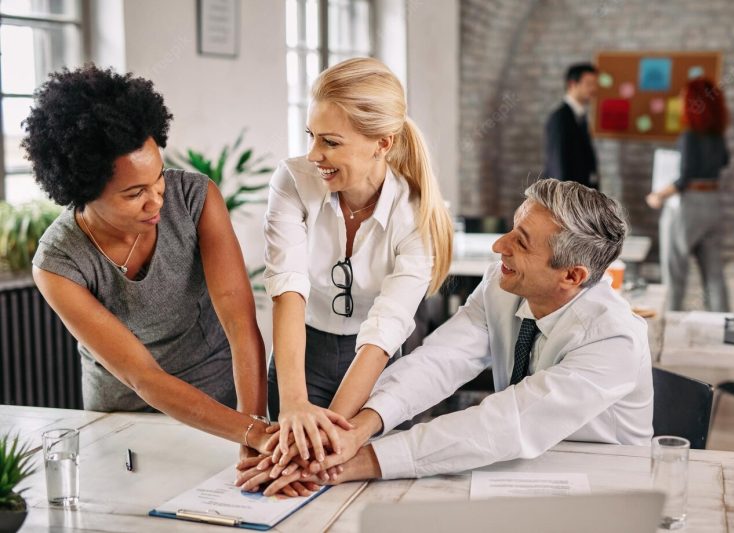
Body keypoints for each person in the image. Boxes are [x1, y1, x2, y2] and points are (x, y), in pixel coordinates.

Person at [237, 178, 653, 491]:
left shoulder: (613, 339)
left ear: (572, 276)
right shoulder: (503, 284)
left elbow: (510, 421)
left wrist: (359, 462)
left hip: (602, 485)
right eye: (511, 228)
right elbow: (440, 360)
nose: (498, 246)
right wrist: (359, 429)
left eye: (521, 243)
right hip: (516, 471)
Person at [24, 65, 274, 456]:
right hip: (123, 422)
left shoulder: (195, 198)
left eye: (158, 178)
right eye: (134, 192)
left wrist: (253, 425)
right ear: (84, 189)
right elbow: (143, 377)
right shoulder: (58, 263)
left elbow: (240, 322)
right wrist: (252, 433)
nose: (157, 199)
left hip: (221, 405)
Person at [262, 57, 453, 466]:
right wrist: (294, 402)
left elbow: (386, 328)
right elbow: (288, 287)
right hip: (303, 352)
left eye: (330, 142)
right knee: (293, 472)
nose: (314, 154)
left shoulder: (415, 215)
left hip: (375, 363)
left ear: (382, 143)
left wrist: (333, 433)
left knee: (353, 474)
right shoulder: (293, 181)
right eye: (311, 136)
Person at [646, 77, 730, 312]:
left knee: (675, 273)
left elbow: (684, 179)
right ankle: (721, 322)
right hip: (713, 203)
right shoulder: (718, 136)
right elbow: (724, 162)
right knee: (714, 274)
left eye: (684, 98)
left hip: (688, 207)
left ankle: (670, 325)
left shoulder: (689, 136)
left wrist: (657, 196)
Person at [543, 63, 600, 189]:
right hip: (566, 200)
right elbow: (558, 165)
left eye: (595, 84)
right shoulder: (560, 118)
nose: (594, 88)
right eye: (589, 84)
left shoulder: (580, 116)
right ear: (572, 84)